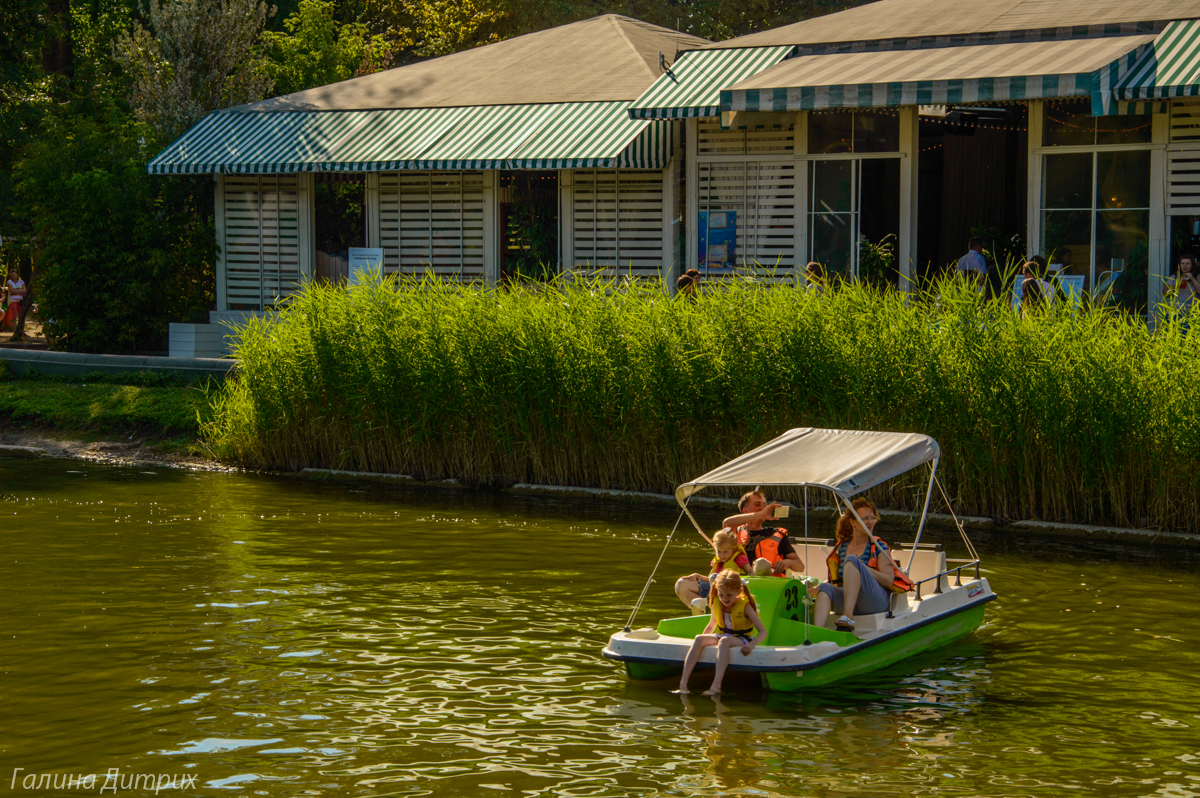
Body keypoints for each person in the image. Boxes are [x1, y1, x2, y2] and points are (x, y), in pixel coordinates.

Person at [812, 498, 913, 632]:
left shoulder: (879, 547)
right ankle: (816, 634)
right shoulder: (842, 547)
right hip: (850, 599)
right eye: (865, 519)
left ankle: (847, 618)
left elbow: (889, 580)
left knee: (852, 560)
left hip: (874, 601)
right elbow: (838, 581)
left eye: (873, 518)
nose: (870, 522)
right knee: (825, 587)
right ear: (852, 522)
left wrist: (863, 567)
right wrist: (808, 592)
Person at [676, 570, 765, 696]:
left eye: (729, 595)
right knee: (699, 639)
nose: (724, 598)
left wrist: (751, 645)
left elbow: (763, 632)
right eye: (721, 594)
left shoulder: (746, 607)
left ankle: (716, 686)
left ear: (738, 591)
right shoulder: (717, 602)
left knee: (724, 641)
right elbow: (712, 625)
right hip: (723, 635)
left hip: (742, 638)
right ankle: (683, 684)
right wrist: (703, 642)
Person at [723, 490, 804, 576]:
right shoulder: (735, 532)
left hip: (768, 583)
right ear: (745, 510)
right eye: (758, 504)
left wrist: (787, 562)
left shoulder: (777, 534)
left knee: (761, 563)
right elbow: (727, 523)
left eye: (764, 505)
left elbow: (800, 567)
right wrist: (760, 514)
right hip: (738, 583)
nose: (763, 508)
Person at [674, 528, 750, 613]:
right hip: (716, 590)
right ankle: (705, 612)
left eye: (725, 551)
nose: (722, 555)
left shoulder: (739, 558)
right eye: (719, 551)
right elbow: (710, 579)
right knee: (681, 583)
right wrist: (698, 576)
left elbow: (751, 574)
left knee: (715, 578)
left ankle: (714, 610)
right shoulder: (718, 560)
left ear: (734, 549)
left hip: (731, 592)